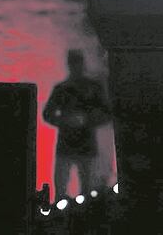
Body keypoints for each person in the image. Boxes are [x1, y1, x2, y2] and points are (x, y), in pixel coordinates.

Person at [42, 50, 111, 198]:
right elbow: (47, 114)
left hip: (78, 144)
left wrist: (81, 120)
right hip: (76, 144)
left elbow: (106, 114)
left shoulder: (65, 89)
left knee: (77, 186)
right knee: (74, 187)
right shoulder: (65, 89)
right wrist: (73, 121)